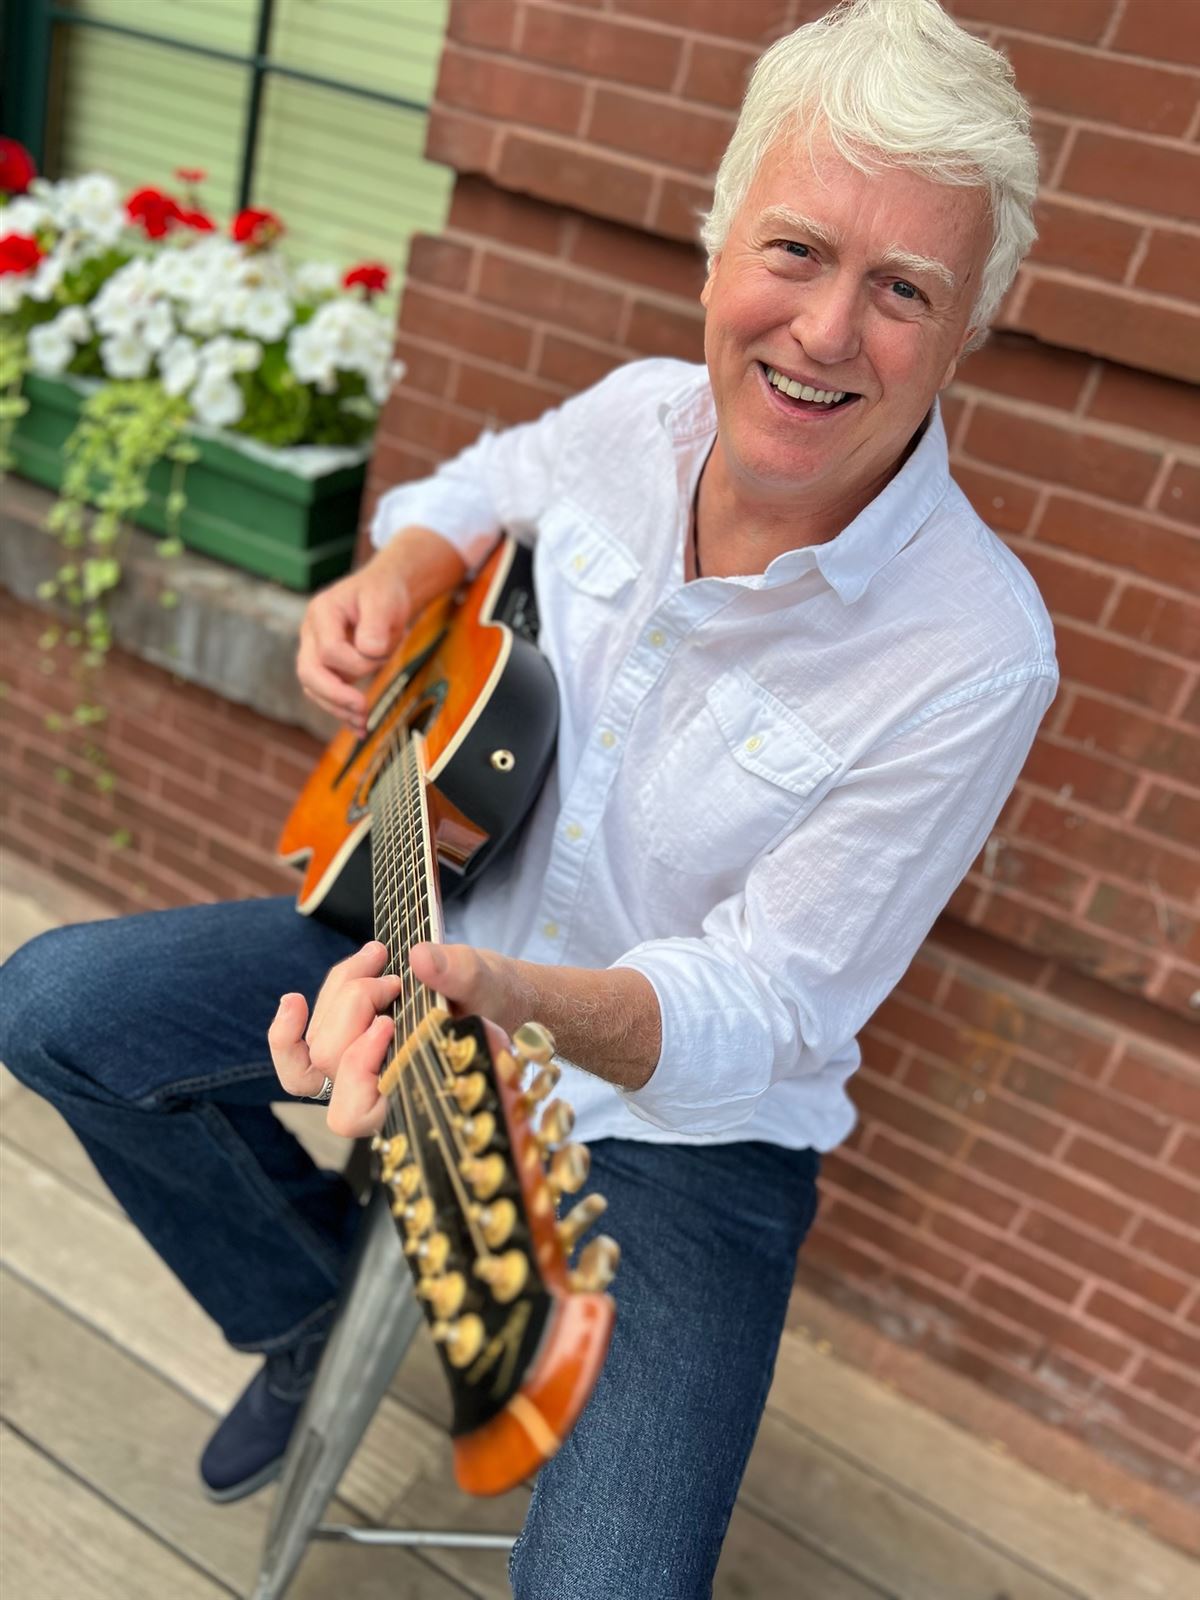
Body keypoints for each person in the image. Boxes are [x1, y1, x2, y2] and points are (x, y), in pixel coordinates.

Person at [0, 1, 1057, 1593]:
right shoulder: (638, 417)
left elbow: (770, 1002)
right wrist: (398, 572)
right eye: (797, 250)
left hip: (682, 1130)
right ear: (716, 243)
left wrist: (492, 1003)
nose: (829, 332)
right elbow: (477, 484)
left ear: (973, 323)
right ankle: (301, 1305)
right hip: (434, 923)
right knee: (51, 1003)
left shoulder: (978, 652)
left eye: (903, 289)